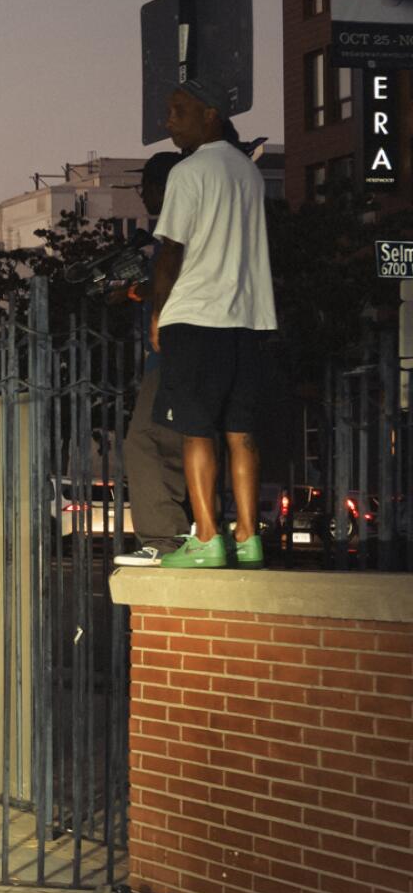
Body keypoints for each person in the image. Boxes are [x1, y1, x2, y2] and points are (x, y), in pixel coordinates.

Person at [148, 78, 278, 568]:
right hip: (248, 317)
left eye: (178, 111)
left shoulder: (189, 172)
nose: (169, 121)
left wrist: (159, 311)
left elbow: (172, 250)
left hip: (197, 317)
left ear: (210, 115)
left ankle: (206, 537)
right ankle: (247, 536)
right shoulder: (248, 172)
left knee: (196, 431)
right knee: (241, 432)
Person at [113, 149, 192, 565]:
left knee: (144, 441)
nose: (143, 196)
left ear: (164, 187)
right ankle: (187, 534)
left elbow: (174, 276)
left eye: (146, 186)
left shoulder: (176, 232)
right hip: (186, 349)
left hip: (173, 352)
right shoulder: (182, 233)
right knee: (180, 442)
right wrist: (137, 292)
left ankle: (164, 539)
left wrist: (156, 309)